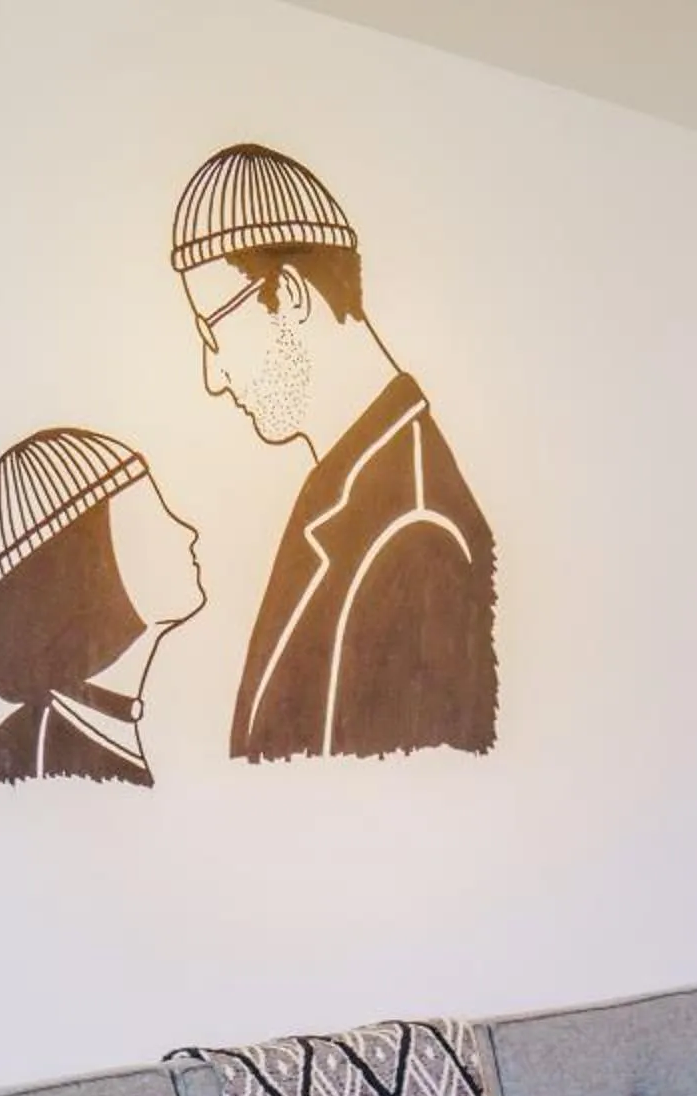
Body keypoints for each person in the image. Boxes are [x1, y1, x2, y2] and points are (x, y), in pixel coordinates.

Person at [170, 144, 498, 763]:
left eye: (214, 333)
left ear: (290, 293)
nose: (214, 375)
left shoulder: (413, 529)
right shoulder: (348, 493)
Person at [0, 429, 204, 788]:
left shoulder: (122, 731)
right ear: (84, 577)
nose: (189, 533)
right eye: (157, 520)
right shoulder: (35, 770)